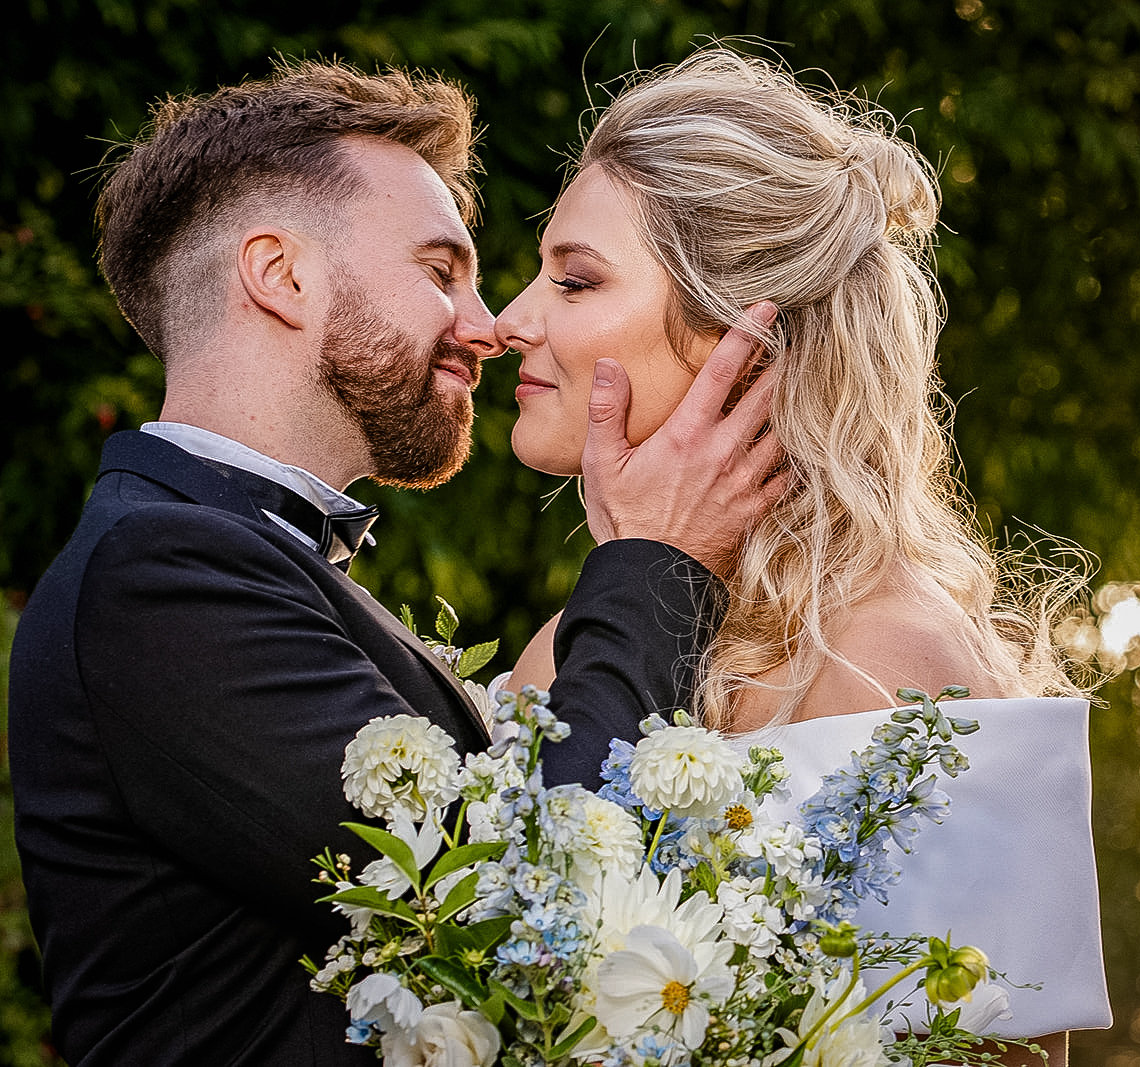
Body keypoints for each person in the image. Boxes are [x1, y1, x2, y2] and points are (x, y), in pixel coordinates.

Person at [6, 59, 782, 1066]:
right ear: (280, 275)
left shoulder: (227, 560)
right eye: (439, 270)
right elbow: (523, 896)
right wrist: (657, 559)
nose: (488, 325)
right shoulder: (156, 576)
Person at [492, 49, 1112, 1058]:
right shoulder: (564, 646)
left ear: (738, 334)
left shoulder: (890, 665)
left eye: (572, 279)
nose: (508, 321)